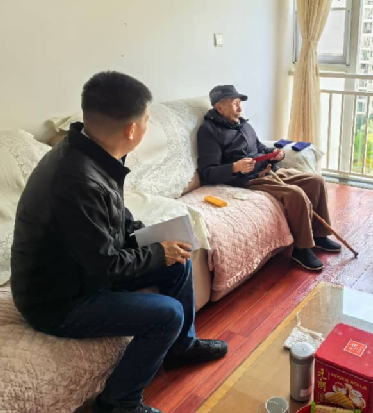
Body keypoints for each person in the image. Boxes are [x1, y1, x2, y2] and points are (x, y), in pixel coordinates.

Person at [10, 72, 227, 413]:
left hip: (82, 268)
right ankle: (118, 402)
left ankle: (181, 348)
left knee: (178, 259)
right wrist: (156, 252)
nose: (147, 126)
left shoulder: (90, 151)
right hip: (56, 300)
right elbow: (105, 267)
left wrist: (153, 240)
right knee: (167, 315)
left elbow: (114, 215)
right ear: (131, 130)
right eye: (147, 120)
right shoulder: (77, 180)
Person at [197, 85, 341, 271]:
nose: (240, 108)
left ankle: (319, 235)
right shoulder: (209, 131)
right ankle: (302, 249)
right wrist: (235, 167)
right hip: (248, 179)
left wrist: (274, 154)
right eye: (234, 104)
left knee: (315, 181)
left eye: (240, 103)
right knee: (295, 194)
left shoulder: (243, 124)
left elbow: (260, 148)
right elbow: (207, 172)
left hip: (269, 169)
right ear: (219, 107)